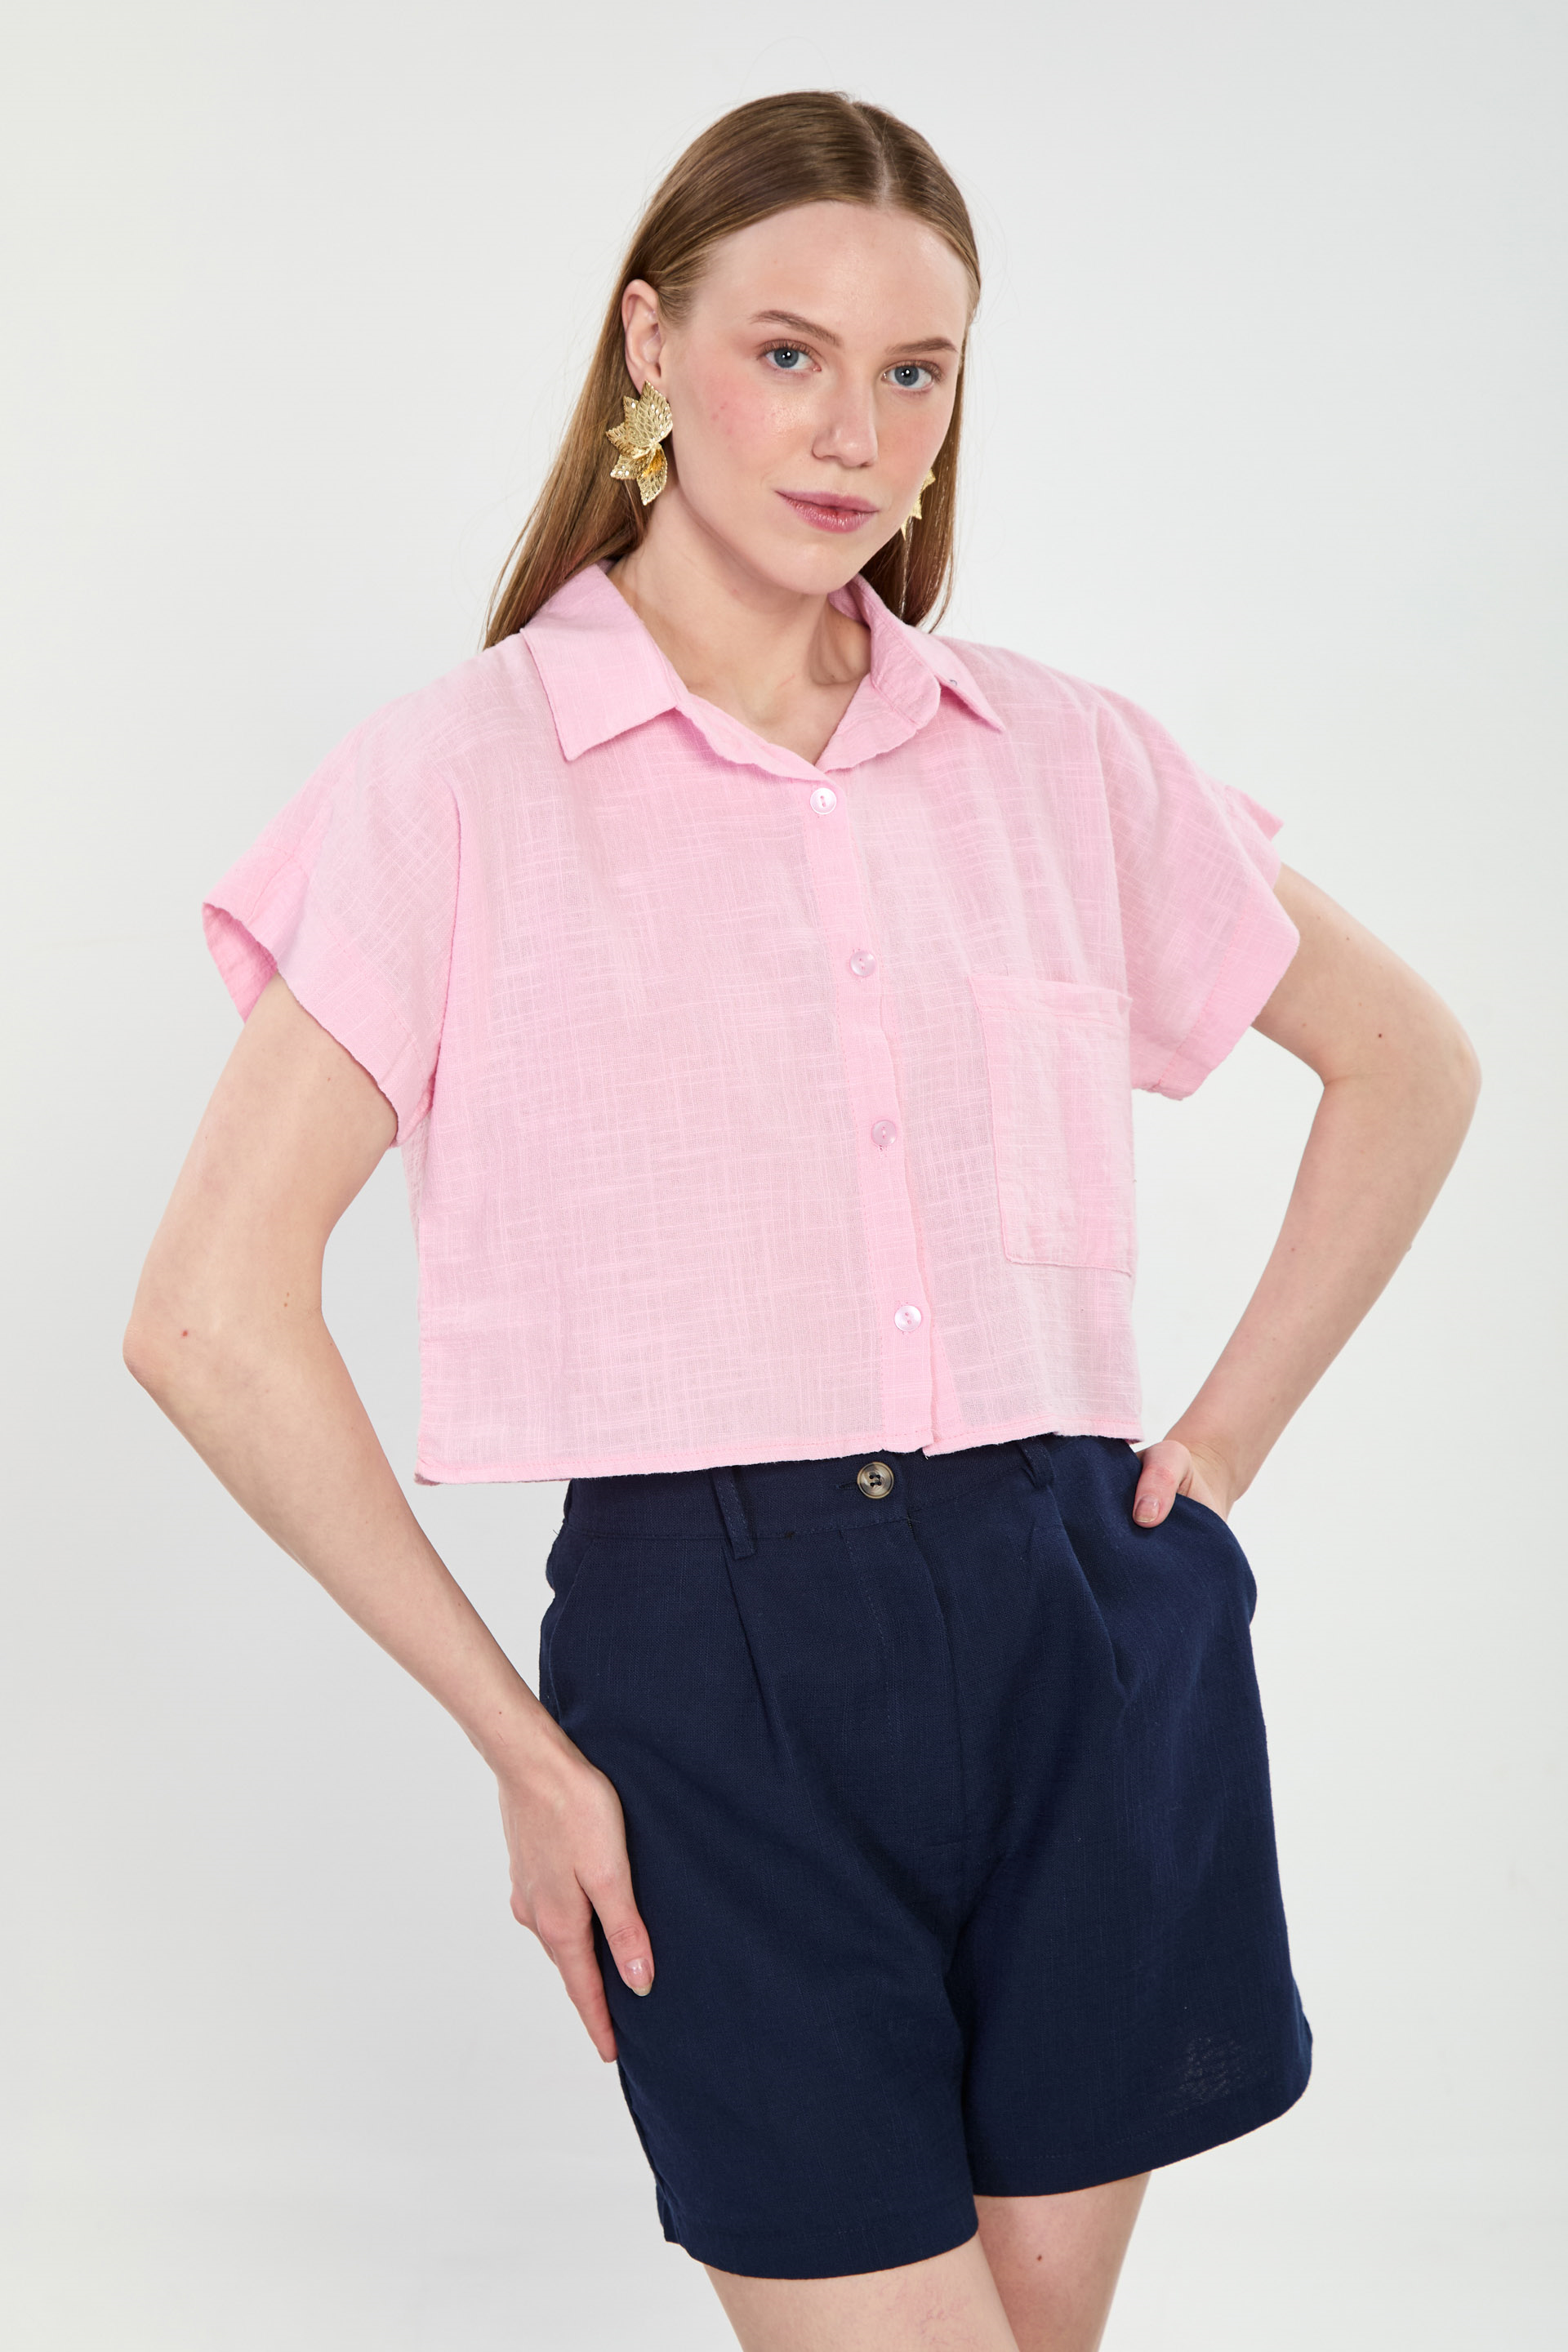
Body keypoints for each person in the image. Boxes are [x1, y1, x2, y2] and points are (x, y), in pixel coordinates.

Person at [123, 89, 1480, 2352]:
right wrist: (524, 1749)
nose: (857, 433)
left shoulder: (1060, 757)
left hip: (1082, 1622)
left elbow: (1409, 1062)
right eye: (788, 353)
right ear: (649, 345)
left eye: (915, 371)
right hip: (710, 1674)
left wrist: (1213, 1458)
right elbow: (206, 1317)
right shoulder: (457, 781)